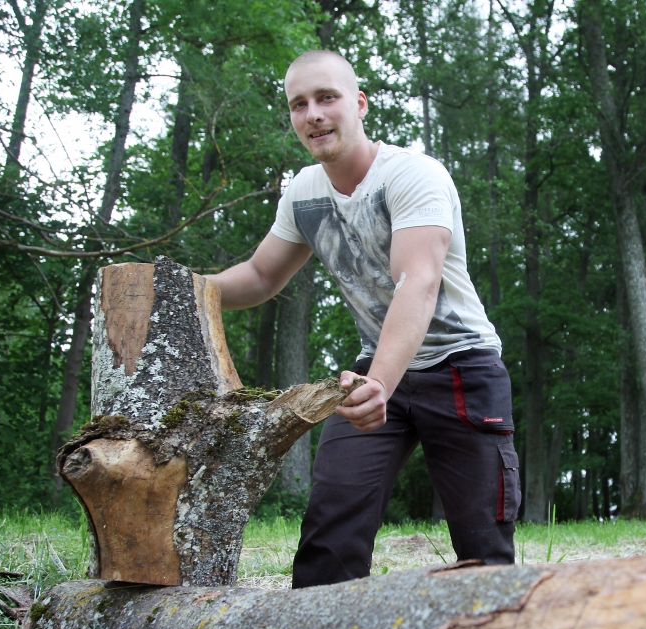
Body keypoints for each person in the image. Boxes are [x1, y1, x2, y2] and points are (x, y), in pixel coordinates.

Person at [208, 50, 519, 588]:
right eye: (298, 105)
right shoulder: (304, 193)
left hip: (461, 368)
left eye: (326, 98)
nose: (313, 115)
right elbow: (260, 276)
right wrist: (173, 290)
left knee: (483, 548)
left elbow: (416, 282)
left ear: (359, 103)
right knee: (331, 524)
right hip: (375, 373)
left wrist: (378, 382)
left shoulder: (413, 175)